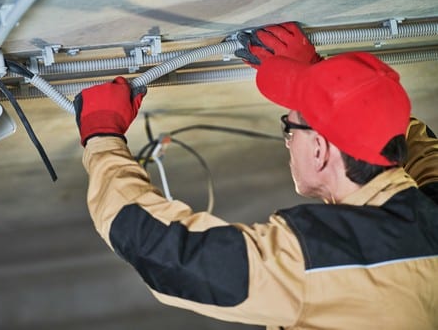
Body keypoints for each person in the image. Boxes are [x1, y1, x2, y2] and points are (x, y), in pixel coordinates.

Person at [73, 22, 438, 329]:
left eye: (289, 127)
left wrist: (102, 135)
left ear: (320, 150)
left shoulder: (320, 261)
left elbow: (167, 252)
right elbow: (408, 139)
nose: (287, 141)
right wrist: (328, 81)